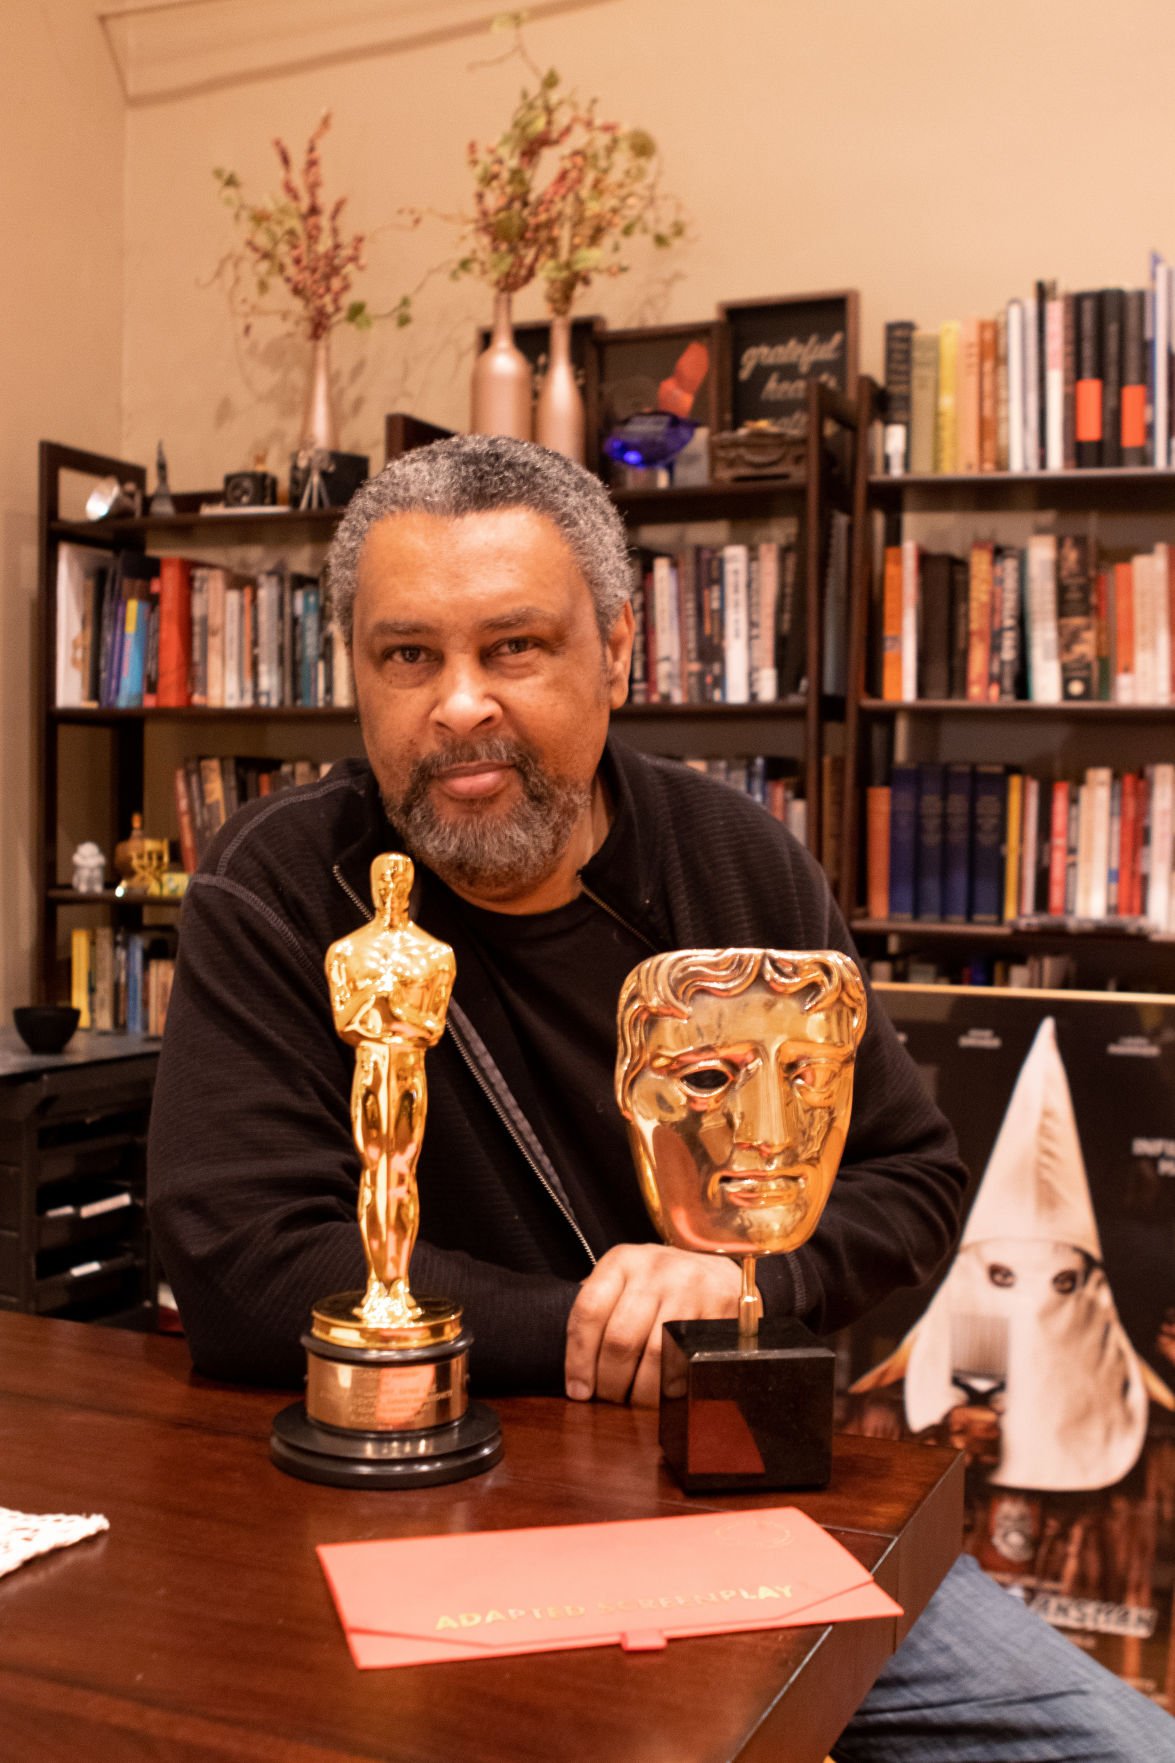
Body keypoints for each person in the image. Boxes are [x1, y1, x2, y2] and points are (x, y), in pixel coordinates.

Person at [147, 435, 1173, 1759]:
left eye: (514, 648)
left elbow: (909, 1178)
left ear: (619, 652)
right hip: (413, 1504)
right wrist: (589, 1323)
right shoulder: (279, 888)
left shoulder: (740, 869)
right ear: (354, 673)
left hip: (732, 1491)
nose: (459, 704)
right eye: (409, 656)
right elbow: (237, 1260)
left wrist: (741, 1290)